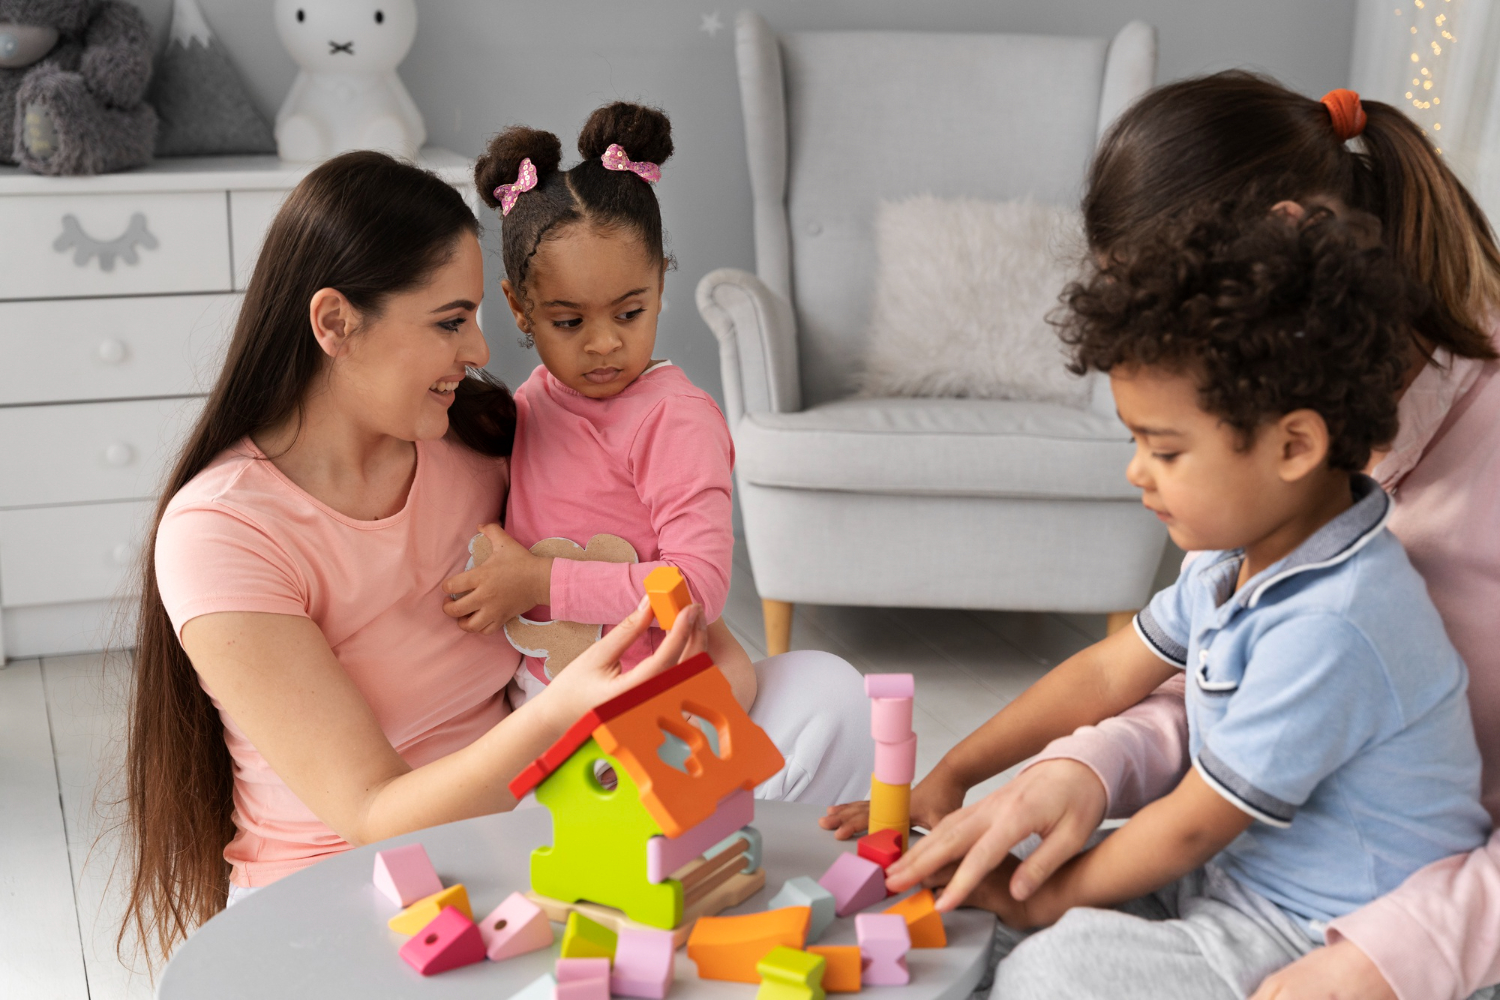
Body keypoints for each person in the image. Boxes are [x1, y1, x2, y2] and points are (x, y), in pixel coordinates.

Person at [123, 150, 872, 966]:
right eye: (449, 322)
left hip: (524, 822)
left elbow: (630, 567)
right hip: (348, 878)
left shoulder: (474, 439)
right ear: (335, 322)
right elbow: (372, 813)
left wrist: (691, 639)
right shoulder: (224, 529)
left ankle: (679, 924)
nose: (480, 347)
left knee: (827, 696)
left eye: (478, 315)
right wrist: (566, 713)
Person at [851, 76, 1500, 1000]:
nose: (1135, 475)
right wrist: (1010, 774)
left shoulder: (1343, 604)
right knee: (979, 922)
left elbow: (1202, 814)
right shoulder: (1266, 511)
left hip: (1337, 920)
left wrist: (1389, 964)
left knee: (1054, 970)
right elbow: (1155, 677)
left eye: (1162, 446)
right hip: (1244, 866)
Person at [441, 102, 739, 706]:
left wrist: (537, 582)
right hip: (541, 695)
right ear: (520, 307)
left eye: (629, 313)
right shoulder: (534, 401)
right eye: (569, 320)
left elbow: (698, 589)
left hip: (646, 704)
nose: (604, 343)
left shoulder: (673, 420)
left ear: (659, 283)